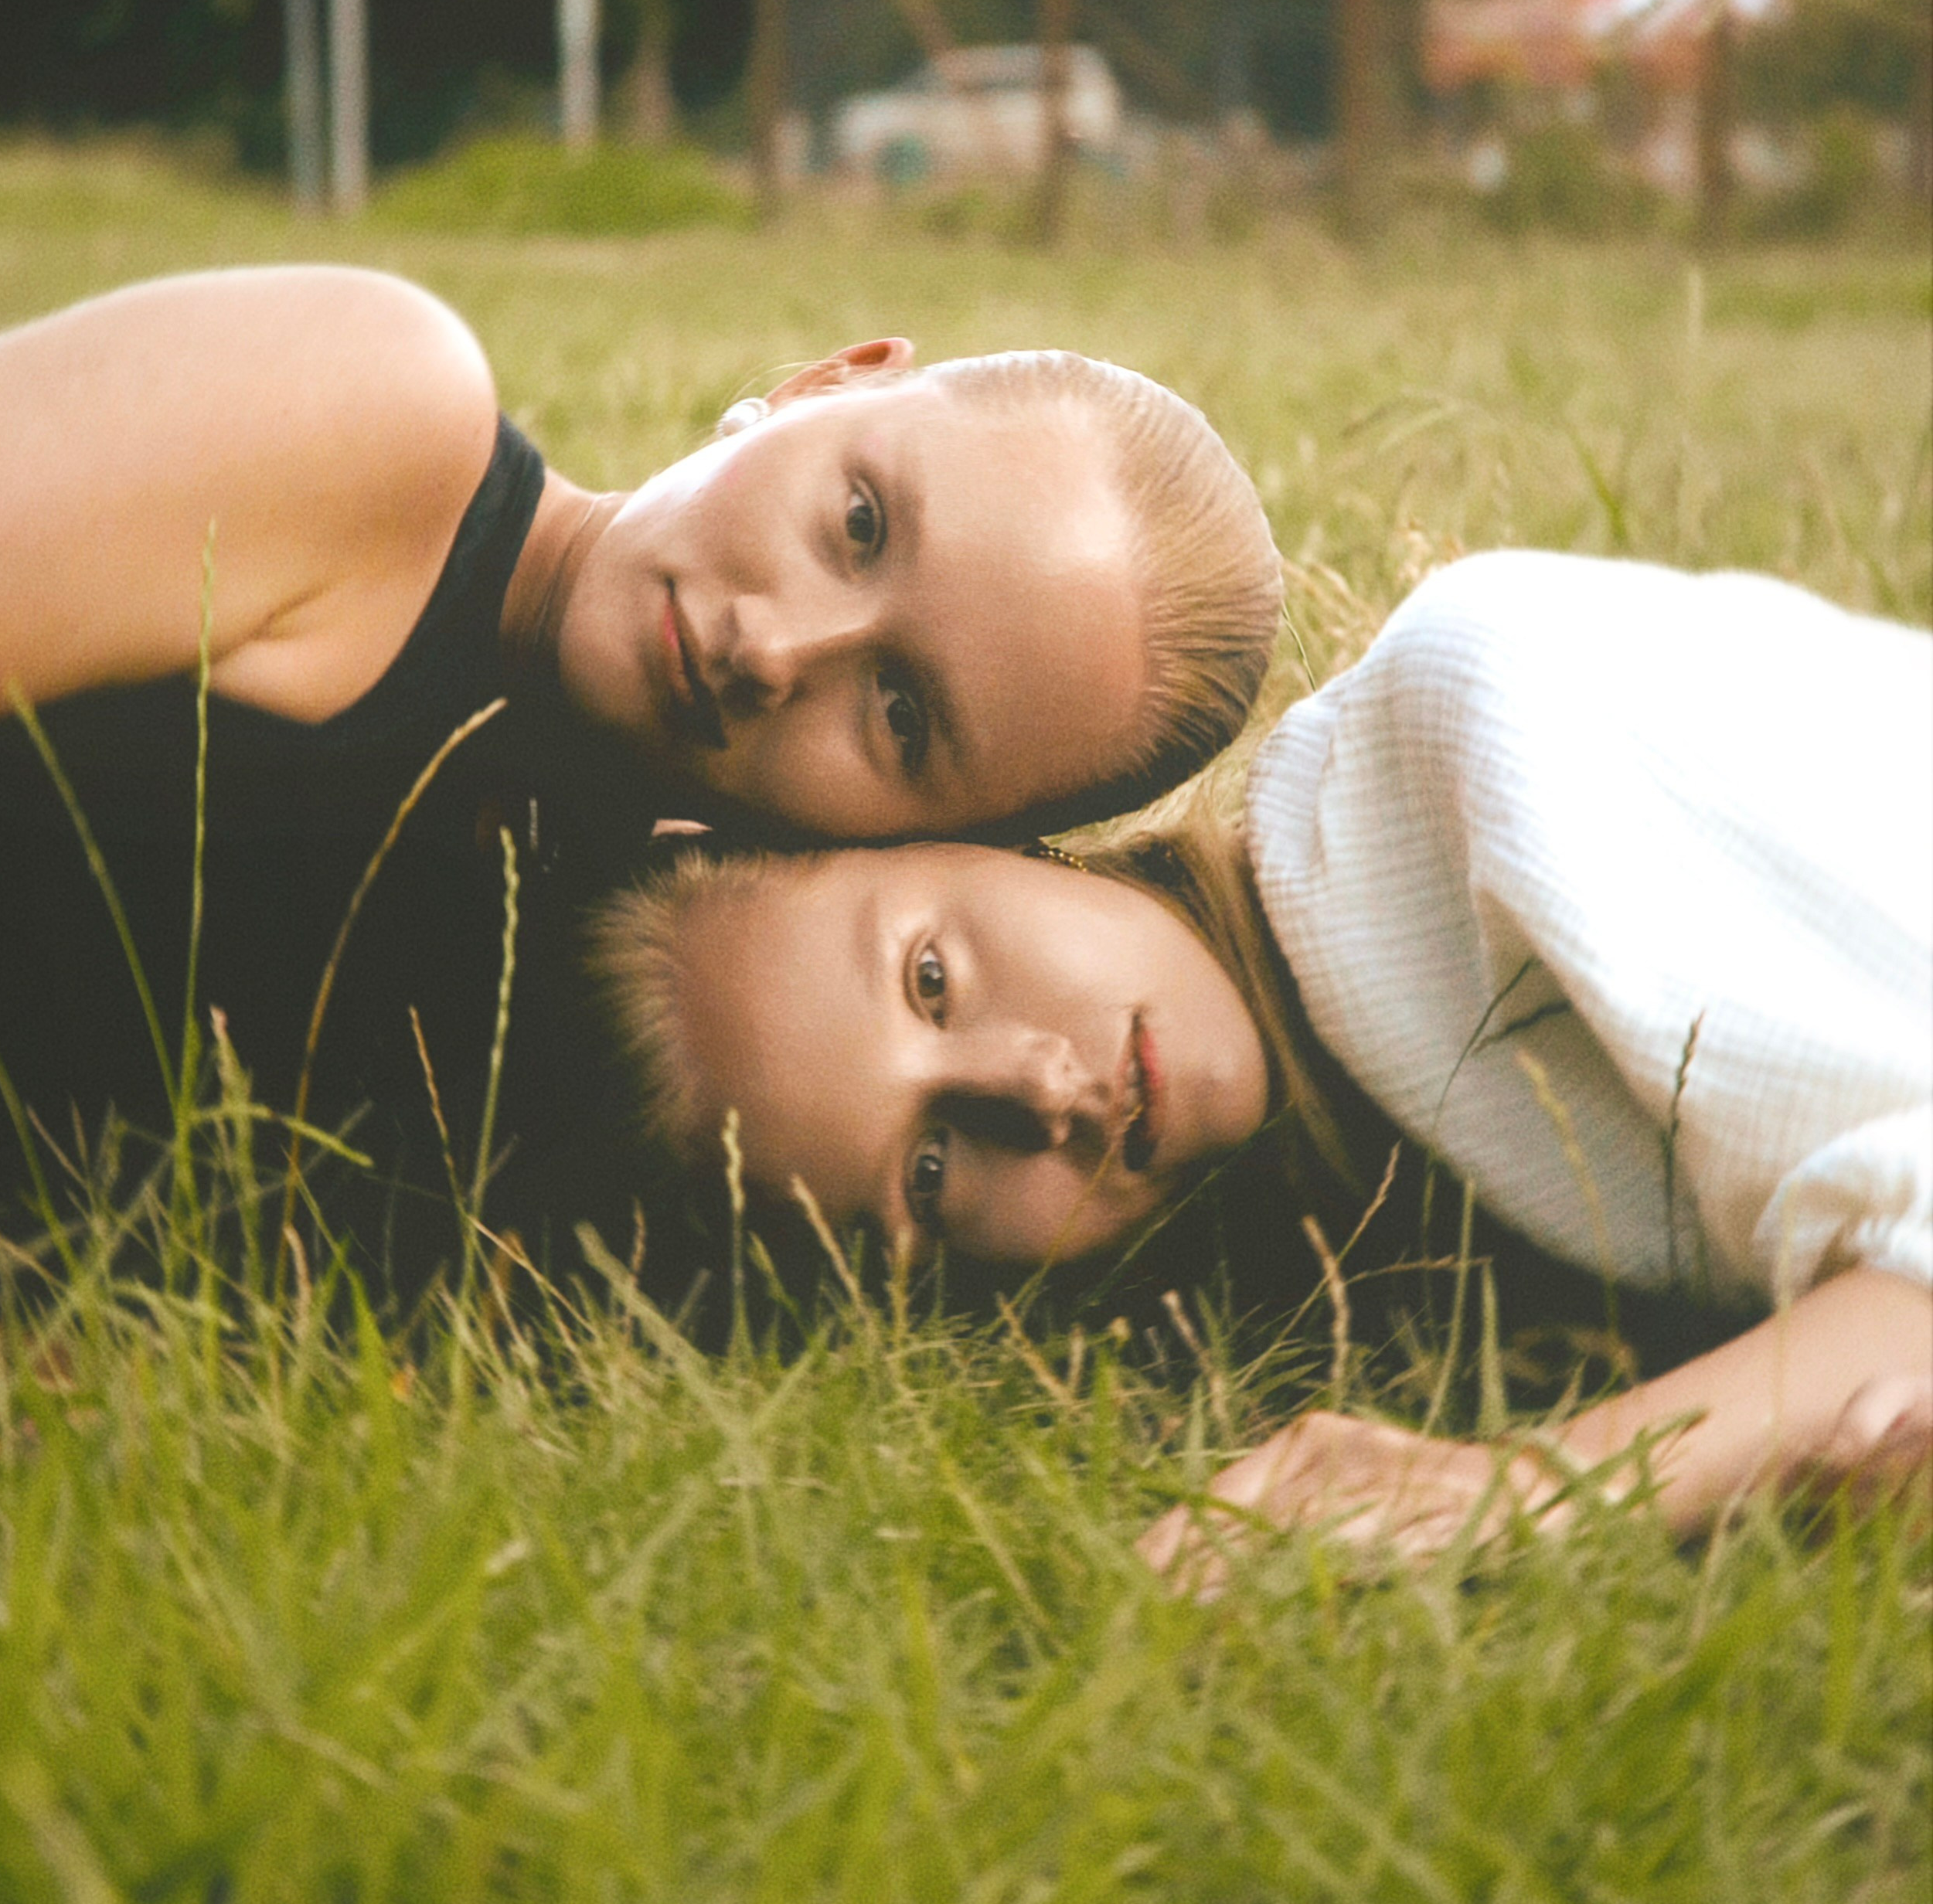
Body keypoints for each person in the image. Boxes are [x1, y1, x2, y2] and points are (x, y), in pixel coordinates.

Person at [596, 550, 1933, 1559]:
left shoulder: (1483, 733)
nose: (1040, 1094)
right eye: (932, 1175)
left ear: (988, 828)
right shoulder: (1368, 1226)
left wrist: (1517, 1493)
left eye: (933, 980)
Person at [0, 265, 1280, 1261]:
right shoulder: (380, 412)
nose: (772, 648)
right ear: (832, 382)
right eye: (859, 522)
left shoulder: (654, 1078)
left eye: (901, 718)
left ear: (956, 844)